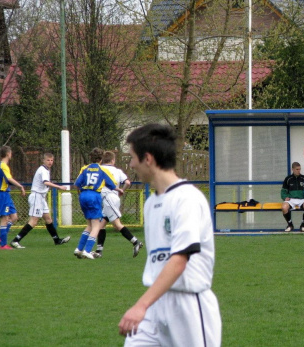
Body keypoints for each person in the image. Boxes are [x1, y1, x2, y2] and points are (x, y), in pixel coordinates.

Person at [118, 123, 221, 346]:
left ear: (148, 159)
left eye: (133, 157)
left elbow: (179, 261)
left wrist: (140, 305)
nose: (131, 164)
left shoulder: (187, 199)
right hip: (155, 304)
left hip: (188, 305)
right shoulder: (151, 203)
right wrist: (147, 305)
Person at [9, 153, 71, 248]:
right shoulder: (43, 170)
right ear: (43, 160)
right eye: (48, 160)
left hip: (41, 197)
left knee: (48, 219)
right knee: (34, 221)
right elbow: (45, 182)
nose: (50, 162)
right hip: (37, 197)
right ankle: (15, 240)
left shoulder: (46, 170)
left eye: (51, 160)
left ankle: (56, 240)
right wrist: (59, 187)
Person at [73, 148, 120, 260]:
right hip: (94, 195)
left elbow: (77, 184)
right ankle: (87, 251)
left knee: (89, 224)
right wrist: (119, 190)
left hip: (83, 195)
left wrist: (81, 193)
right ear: (101, 159)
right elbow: (113, 185)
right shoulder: (102, 169)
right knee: (97, 225)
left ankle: (79, 249)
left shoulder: (84, 168)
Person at [95, 150, 143, 258]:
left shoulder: (100, 169)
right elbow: (127, 182)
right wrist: (122, 191)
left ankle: (136, 242)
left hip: (108, 198)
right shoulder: (117, 171)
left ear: (103, 160)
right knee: (100, 225)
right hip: (114, 198)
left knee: (117, 224)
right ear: (113, 160)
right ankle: (99, 251)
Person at [0, 146, 27, 250]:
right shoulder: (3, 166)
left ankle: (1, 237)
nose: (11, 155)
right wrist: (20, 186)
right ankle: (3, 245)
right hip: (2, 194)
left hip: (5, 194)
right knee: (5, 218)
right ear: (8, 154)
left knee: (14, 217)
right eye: (11, 153)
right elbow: (9, 178)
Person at [280, 162, 304, 232]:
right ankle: (290, 225)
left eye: (299, 169)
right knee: (284, 207)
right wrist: (285, 197)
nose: (298, 171)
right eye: (297, 169)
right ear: (293, 169)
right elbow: (283, 191)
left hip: (302, 199)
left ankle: (303, 225)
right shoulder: (288, 179)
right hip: (291, 199)